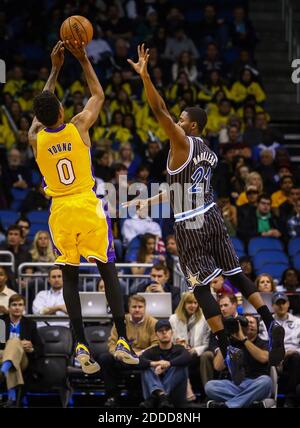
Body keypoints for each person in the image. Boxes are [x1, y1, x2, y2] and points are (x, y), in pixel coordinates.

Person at [126, 44, 285, 381]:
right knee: (235, 272)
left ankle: (225, 343)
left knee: (198, 288)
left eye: (183, 120)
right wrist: (149, 202)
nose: (177, 123)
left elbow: (159, 110)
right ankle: (269, 320)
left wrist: (145, 78)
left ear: (192, 126)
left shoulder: (181, 143)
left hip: (190, 223)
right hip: (212, 214)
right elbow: (179, 189)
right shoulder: (207, 150)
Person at [28, 41, 137, 374]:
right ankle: (123, 340)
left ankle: (79, 345)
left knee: (70, 278)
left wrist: (54, 69)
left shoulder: (35, 137)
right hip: (88, 205)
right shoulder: (77, 126)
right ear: (61, 111)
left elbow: (39, 113)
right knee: (107, 269)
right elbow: (99, 95)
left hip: (60, 211)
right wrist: (82, 59)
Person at [99, 295, 158, 407]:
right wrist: (116, 353)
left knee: (152, 359)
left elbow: (156, 344)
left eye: (140, 307)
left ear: (145, 308)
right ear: (129, 308)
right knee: (104, 358)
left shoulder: (152, 322)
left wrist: (142, 353)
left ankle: (149, 398)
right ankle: (112, 396)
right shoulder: (121, 321)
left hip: (142, 358)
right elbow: (112, 342)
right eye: (134, 306)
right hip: (123, 357)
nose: (137, 309)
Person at [205, 315, 272, 408]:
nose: (249, 325)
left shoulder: (264, 343)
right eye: (245, 323)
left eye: (252, 323)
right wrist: (226, 339)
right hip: (235, 385)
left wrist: (244, 339)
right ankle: (249, 402)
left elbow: (264, 358)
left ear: (258, 327)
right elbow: (217, 366)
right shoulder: (232, 344)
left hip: (256, 383)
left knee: (266, 382)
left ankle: (228, 405)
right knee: (210, 386)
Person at [0, 294, 43, 407]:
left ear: (24, 308)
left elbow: (40, 347)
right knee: (13, 345)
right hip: (3, 356)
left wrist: (31, 348)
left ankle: (3, 371)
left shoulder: (30, 324)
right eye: (14, 305)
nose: (17, 307)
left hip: (24, 359)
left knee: (14, 342)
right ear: (9, 307)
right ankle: (12, 398)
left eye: (20, 305)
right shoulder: (1, 322)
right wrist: (17, 343)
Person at [139, 319, 192, 408]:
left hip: (173, 396)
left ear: (172, 332)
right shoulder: (152, 351)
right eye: (160, 331)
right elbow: (138, 361)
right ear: (156, 334)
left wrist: (168, 364)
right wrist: (155, 363)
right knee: (146, 367)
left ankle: (158, 395)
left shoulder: (179, 349)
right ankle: (162, 396)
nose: (164, 333)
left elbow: (188, 357)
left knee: (180, 366)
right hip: (163, 401)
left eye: (167, 330)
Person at [271, 292, 300, 407]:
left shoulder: (298, 322)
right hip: (274, 358)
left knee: (295, 358)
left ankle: (290, 399)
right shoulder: (267, 322)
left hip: (293, 357)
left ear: (288, 304)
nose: (281, 306)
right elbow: (263, 343)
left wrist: (294, 352)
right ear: (272, 306)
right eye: (278, 303)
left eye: (283, 303)